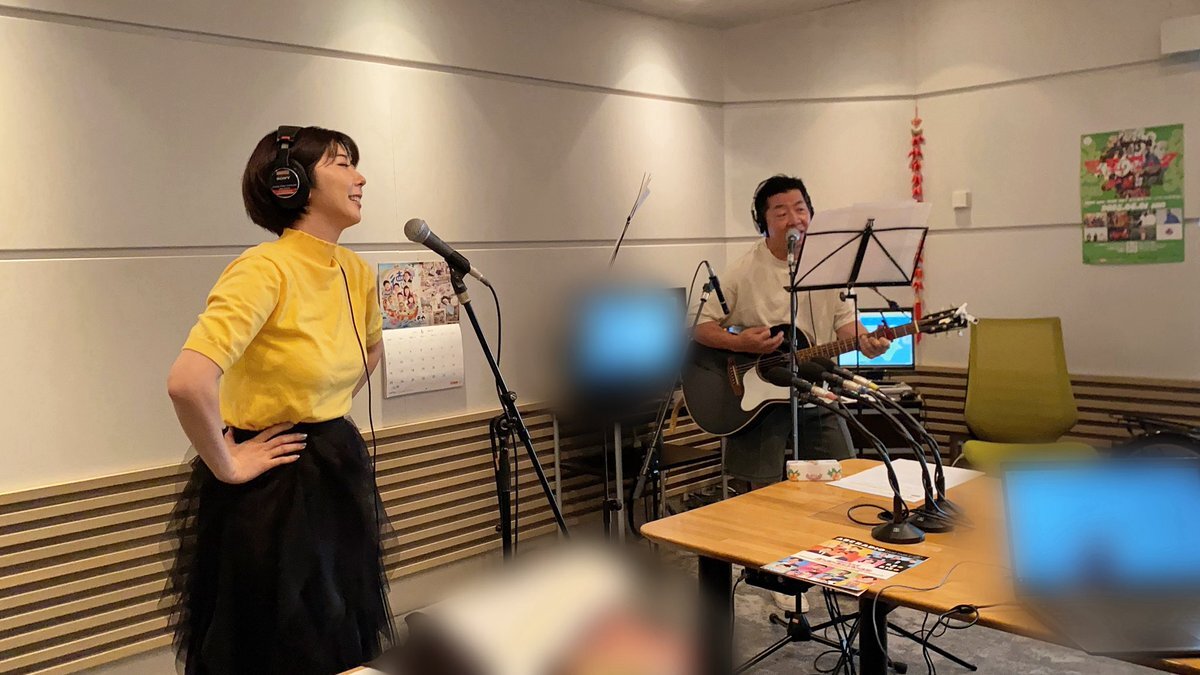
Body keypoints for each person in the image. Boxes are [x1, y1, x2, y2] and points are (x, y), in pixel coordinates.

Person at [164, 126, 393, 674]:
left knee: (339, 632)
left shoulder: (355, 271)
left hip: (334, 463)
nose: (360, 178)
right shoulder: (263, 268)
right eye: (342, 164)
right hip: (276, 481)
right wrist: (228, 462)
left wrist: (318, 398)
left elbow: (369, 352)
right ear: (292, 182)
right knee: (282, 645)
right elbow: (188, 381)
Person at [692, 175, 889, 612]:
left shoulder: (829, 269)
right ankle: (769, 572)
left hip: (814, 389)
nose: (793, 218)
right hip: (755, 398)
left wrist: (867, 340)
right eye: (780, 211)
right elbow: (700, 327)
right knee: (760, 490)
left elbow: (844, 325)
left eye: (800, 208)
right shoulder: (742, 270)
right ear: (763, 222)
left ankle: (837, 568)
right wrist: (740, 342)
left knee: (844, 474)